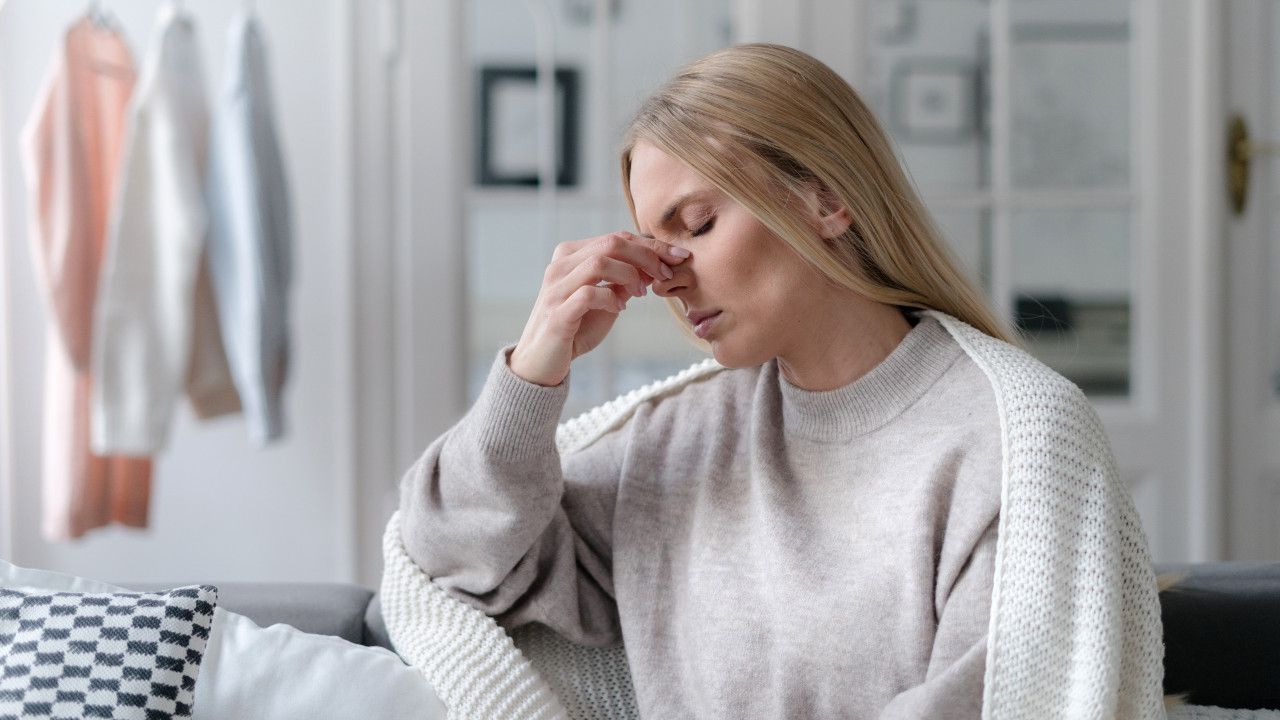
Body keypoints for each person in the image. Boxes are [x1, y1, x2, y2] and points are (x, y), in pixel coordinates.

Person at [396, 44, 1164, 719]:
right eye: (652, 242)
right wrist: (536, 366)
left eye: (695, 225)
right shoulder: (677, 441)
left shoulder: (1016, 441)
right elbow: (454, 556)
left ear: (827, 199)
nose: (668, 278)